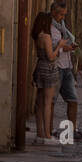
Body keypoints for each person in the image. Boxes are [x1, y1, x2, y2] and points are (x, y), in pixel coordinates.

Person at [49, 1, 82, 142]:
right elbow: (51, 47)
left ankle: (72, 129)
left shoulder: (62, 27)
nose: (63, 17)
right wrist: (64, 47)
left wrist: (70, 46)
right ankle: (49, 129)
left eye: (64, 15)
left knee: (73, 99)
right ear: (53, 12)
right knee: (51, 100)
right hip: (56, 67)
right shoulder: (49, 26)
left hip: (67, 67)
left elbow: (64, 42)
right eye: (60, 14)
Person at [30, 12, 61, 146]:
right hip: (48, 68)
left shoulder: (37, 36)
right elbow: (51, 56)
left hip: (40, 67)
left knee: (39, 102)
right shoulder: (46, 37)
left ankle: (39, 133)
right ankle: (47, 135)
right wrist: (59, 46)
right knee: (48, 102)